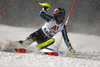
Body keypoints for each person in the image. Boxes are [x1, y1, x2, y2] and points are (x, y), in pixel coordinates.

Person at [3, 6, 75, 56]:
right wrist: (44, 9)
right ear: (56, 15)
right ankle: (9, 44)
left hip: (45, 39)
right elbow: (41, 14)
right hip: (39, 33)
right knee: (26, 43)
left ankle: (38, 47)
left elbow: (66, 39)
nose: (61, 17)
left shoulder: (63, 26)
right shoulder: (50, 19)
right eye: (60, 15)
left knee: (52, 40)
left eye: (63, 15)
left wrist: (70, 48)